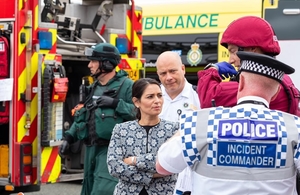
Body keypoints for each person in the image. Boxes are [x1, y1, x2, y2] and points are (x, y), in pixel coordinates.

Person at [156, 51, 300, 194]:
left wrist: (188, 126)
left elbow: (163, 166)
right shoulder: (295, 127)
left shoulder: (200, 122)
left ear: (241, 82)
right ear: (276, 92)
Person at [59, 43, 136, 195]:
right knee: (88, 187)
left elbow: (140, 113)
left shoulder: (127, 86)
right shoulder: (94, 87)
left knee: (102, 190)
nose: (89, 65)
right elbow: (84, 115)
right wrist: (69, 137)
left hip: (112, 150)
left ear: (106, 64)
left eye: (93, 61)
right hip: (90, 150)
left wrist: (116, 104)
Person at [197, 16, 300, 116]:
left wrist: (212, 70)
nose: (230, 60)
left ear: (252, 50)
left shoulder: (259, 85)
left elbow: (209, 98)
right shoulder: (281, 79)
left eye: (233, 51)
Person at [107, 78, 178, 195]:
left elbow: (172, 164)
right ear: (136, 102)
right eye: (150, 97)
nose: (157, 101)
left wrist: (135, 160)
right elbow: (114, 167)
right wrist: (152, 174)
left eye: (159, 95)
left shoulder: (174, 129)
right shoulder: (121, 130)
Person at [156, 51, 201, 195]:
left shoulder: (199, 96)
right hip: (156, 178)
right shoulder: (151, 98)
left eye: (173, 71)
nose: (168, 77)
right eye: (163, 73)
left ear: (183, 69)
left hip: (188, 181)